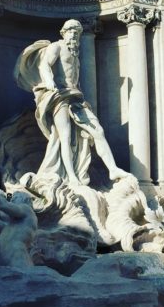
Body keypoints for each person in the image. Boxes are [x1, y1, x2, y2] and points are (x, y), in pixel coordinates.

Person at [14, 20, 128, 186]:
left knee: (98, 131)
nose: (74, 35)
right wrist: (49, 81)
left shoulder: (75, 53)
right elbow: (44, 65)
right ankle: (71, 176)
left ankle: (112, 169)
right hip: (59, 96)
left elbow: (74, 78)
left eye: (77, 32)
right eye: (70, 31)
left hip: (75, 98)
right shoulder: (56, 47)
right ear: (63, 32)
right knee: (64, 137)